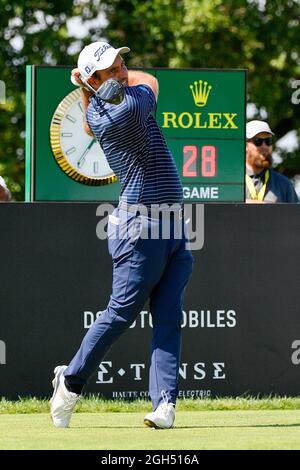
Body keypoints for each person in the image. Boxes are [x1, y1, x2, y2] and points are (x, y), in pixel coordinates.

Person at [50, 41, 194, 429]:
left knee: (169, 317)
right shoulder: (128, 107)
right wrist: (109, 87)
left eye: (122, 62)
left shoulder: (99, 108)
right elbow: (151, 81)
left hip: (173, 227)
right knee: (119, 314)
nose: (124, 72)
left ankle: (165, 404)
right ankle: (71, 380)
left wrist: (89, 87)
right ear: (95, 79)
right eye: (112, 69)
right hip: (139, 230)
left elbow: (86, 119)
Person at [245, 120, 299, 203]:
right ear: (245, 146)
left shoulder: (284, 184)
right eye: (258, 141)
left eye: (268, 141)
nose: (265, 146)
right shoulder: (230, 181)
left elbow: (295, 215)